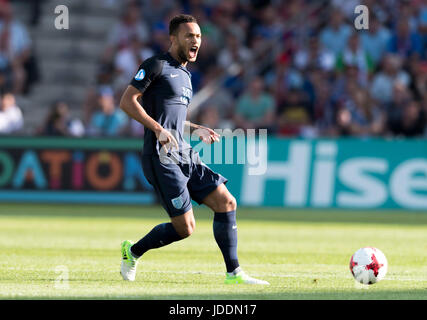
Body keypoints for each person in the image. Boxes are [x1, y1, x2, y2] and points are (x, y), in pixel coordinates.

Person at [118, 14, 268, 285]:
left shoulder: (187, 75)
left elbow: (172, 122)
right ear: (173, 38)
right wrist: (157, 130)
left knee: (226, 201)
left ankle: (233, 273)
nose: (195, 40)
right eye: (189, 35)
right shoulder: (156, 66)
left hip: (182, 152)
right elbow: (127, 102)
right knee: (185, 228)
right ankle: (133, 251)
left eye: (198, 36)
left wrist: (194, 127)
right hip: (160, 157)